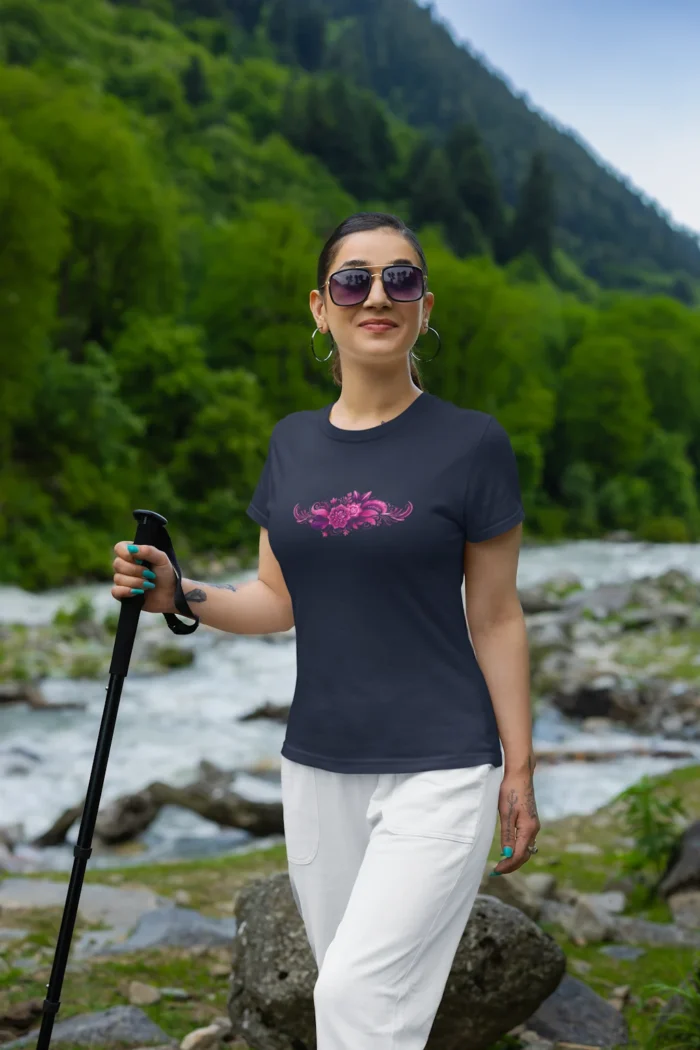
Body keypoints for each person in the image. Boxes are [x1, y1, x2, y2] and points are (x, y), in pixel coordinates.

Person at [111, 211, 540, 1049]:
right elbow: (276, 598)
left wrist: (519, 768)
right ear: (321, 306)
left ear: (424, 304)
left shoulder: (472, 443)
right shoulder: (293, 444)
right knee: (363, 1008)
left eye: (400, 278)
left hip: (445, 766)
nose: (376, 295)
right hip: (316, 769)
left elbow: (495, 615)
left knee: (354, 995)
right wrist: (178, 592)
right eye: (354, 279)